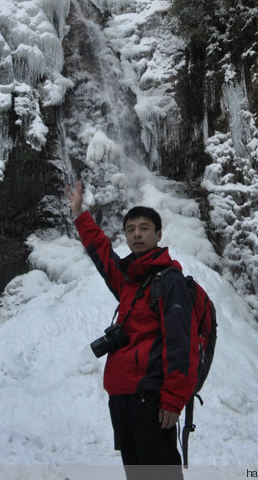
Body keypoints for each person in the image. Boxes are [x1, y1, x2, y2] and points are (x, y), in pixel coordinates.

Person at [68, 181, 199, 480]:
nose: (137, 234)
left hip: (150, 397)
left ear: (158, 234)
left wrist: (173, 399)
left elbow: (182, 342)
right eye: (130, 229)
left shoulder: (169, 281)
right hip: (123, 395)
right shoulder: (129, 280)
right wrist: (80, 214)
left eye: (144, 228)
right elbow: (101, 252)